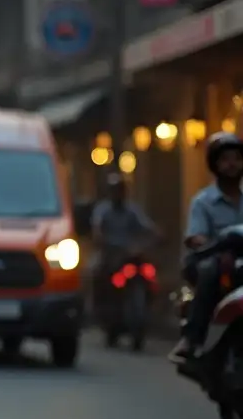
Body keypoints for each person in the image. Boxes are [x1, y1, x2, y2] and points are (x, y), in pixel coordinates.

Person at [169, 131, 243, 363]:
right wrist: (214, 243)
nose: (232, 164)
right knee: (210, 271)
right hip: (213, 258)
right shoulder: (203, 201)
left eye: (236, 158)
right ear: (215, 164)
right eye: (225, 159)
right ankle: (191, 339)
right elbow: (195, 237)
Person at [89, 172, 160, 312]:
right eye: (115, 190)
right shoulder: (102, 210)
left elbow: (146, 225)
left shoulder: (132, 210)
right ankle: (98, 308)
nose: (118, 194)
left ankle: (152, 304)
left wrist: (157, 234)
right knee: (95, 271)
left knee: (150, 271)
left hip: (130, 253)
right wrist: (100, 239)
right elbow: (96, 229)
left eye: (120, 190)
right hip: (110, 253)